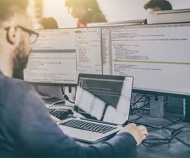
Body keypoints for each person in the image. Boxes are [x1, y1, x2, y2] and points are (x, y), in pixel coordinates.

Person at [0, 0, 148, 157]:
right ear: (14, 33)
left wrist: (37, 118)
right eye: (30, 35)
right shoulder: (14, 94)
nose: (31, 45)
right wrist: (128, 137)